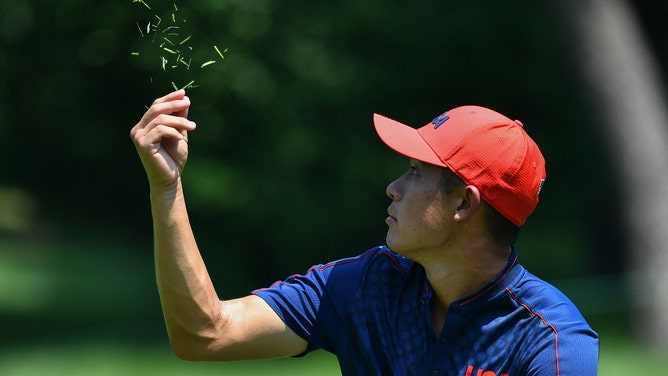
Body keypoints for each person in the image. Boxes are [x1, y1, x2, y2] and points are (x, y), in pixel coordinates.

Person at [130, 90, 599, 375]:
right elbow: (204, 335)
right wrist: (166, 188)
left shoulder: (552, 343)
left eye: (416, 172)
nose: (394, 187)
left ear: (463, 204)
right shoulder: (363, 286)